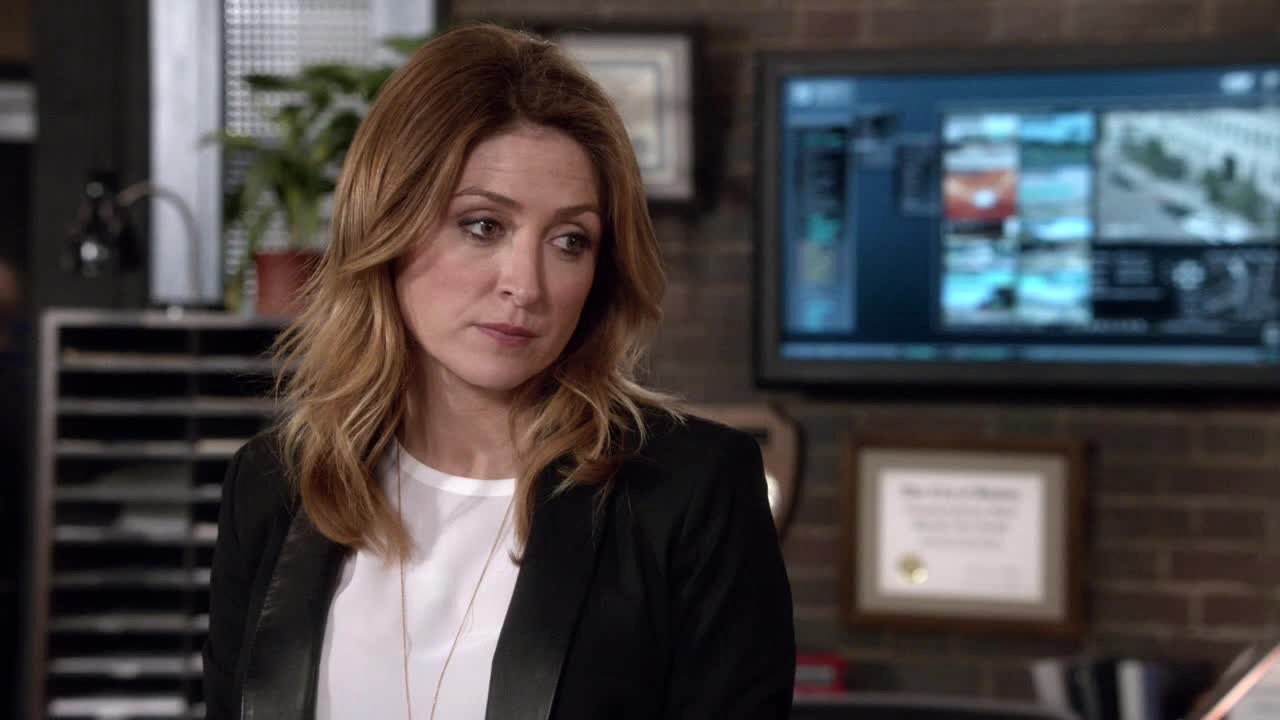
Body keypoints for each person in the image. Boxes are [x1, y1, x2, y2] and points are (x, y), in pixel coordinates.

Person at [202, 23, 795, 720]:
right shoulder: (273, 484)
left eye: (570, 240)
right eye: (483, 225)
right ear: (387, 226)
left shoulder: (693, 493)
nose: (526, 284)